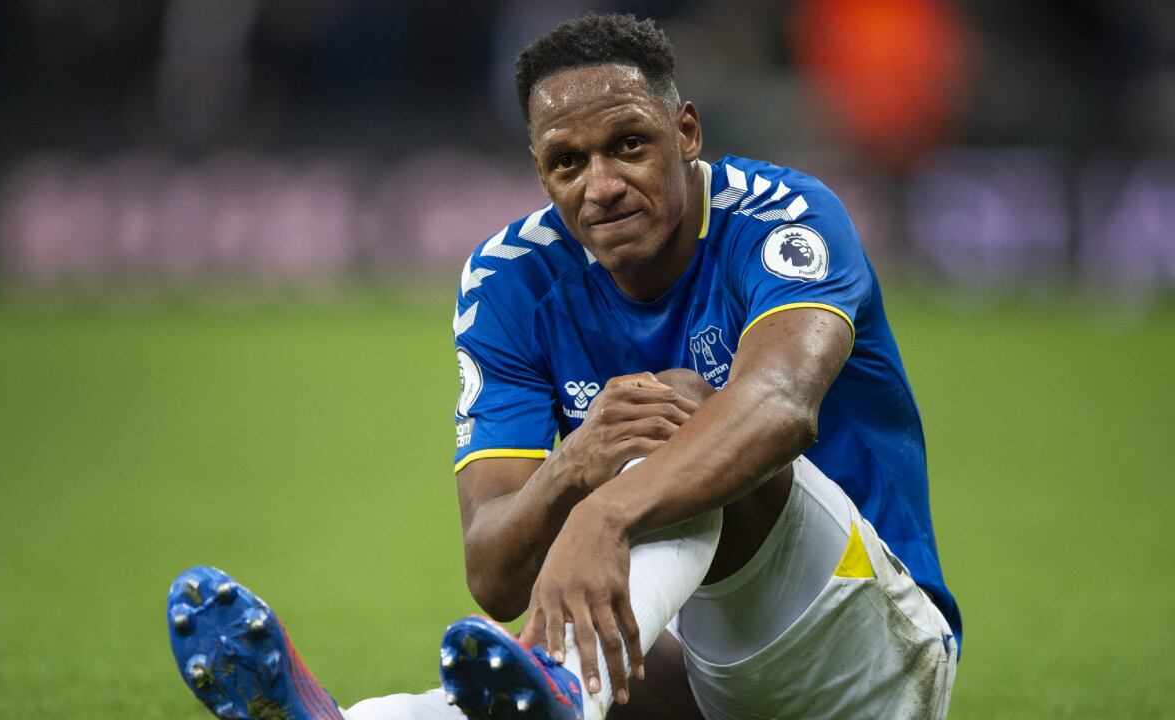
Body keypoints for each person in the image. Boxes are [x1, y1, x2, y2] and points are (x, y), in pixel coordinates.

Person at [166, 13, 961, 720]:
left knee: (672, 409)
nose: (602, 186)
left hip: (875, 652)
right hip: (711, 673)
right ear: (539, 171)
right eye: (567, 163)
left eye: (628, 145)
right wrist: (571, 469)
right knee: (608, 486)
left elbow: (781, 405)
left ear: (686, 132)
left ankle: (565, 687)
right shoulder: (511, 278)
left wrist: (603, 513)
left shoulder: (782, 217)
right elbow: (494, 571)